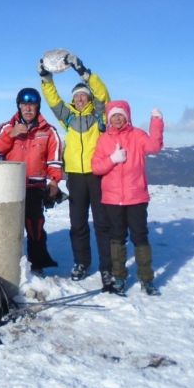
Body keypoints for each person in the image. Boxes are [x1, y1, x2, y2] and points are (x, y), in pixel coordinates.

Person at [38, 53, 113, 290]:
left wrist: (83, 72)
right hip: (75, 177)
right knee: (78, 223)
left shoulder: (99, 114)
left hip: (98, 175)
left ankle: (107, 267)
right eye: (77, 96)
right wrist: (46, 77)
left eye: (83, 96)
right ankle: (81, 262)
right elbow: (52, 100)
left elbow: (103, 94)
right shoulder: (68, 117)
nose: (80, 99)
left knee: (102, 224)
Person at [91, 101, 164, 296]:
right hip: (112, 199)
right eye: (114, 115)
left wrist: (156, 121)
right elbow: (96, 167)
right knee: (116, 238)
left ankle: (147, 279)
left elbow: (154, 147)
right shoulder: (104, 140)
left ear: (127, 116)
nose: (117, 118)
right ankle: (120, 277)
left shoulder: (138, 135)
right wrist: (112, 159)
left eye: (121, 115)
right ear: (108, 118)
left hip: (136, 196)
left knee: (140, 237)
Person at [0, 87, 63, 273]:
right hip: (11, 186)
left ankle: (36, 264)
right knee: (9, 228)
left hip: (35, 186)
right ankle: (7, 266)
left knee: (35, 226)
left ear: (38, 107)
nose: (28, 109)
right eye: (24, 105)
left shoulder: (48, 131)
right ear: (19, 106)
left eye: (32, 105)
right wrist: (11, 134)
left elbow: (54, 160)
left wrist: (54, 181)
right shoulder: (8, 127)